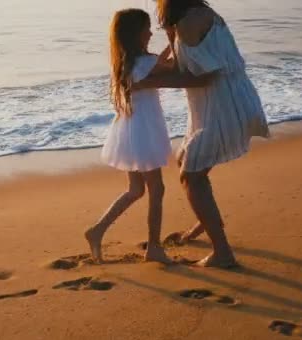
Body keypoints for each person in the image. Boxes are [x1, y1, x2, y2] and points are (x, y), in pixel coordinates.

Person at [136, 0, 270, 267]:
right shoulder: (191, 17)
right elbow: (182, 64)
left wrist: (149, 83)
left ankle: (222, 253)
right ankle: (207, 223)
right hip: (221, 100)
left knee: (192, 174)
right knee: (186, 158)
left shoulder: (189, 22)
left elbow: (203, 76)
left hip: (222, 103)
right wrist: (144, 67)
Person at [84, 8, 212, 264]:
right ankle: (153, 247)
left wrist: (169, 43)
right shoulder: (144, 63)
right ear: (136, 34)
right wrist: (176, 41)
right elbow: (174, 68)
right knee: (156, 189)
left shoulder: (127, 62)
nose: (150, 32)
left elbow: (158, 64)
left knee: (135, 190)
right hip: (144, 132)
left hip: (130, 131)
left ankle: (97, 231)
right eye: (146, 29)